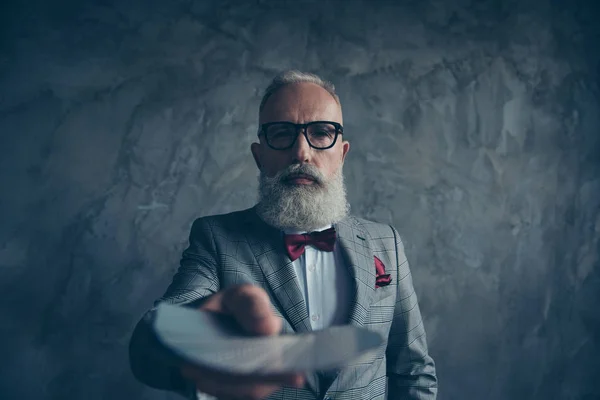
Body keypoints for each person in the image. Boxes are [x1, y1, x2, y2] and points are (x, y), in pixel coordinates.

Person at [129, 70, 438, 400]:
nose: (301, 153)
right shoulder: (216, 239)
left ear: (342, 153)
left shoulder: (385, 242)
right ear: (259, 155)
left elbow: (413, 370)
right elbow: (154, 342)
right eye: (281, 133)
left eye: (321, 133)